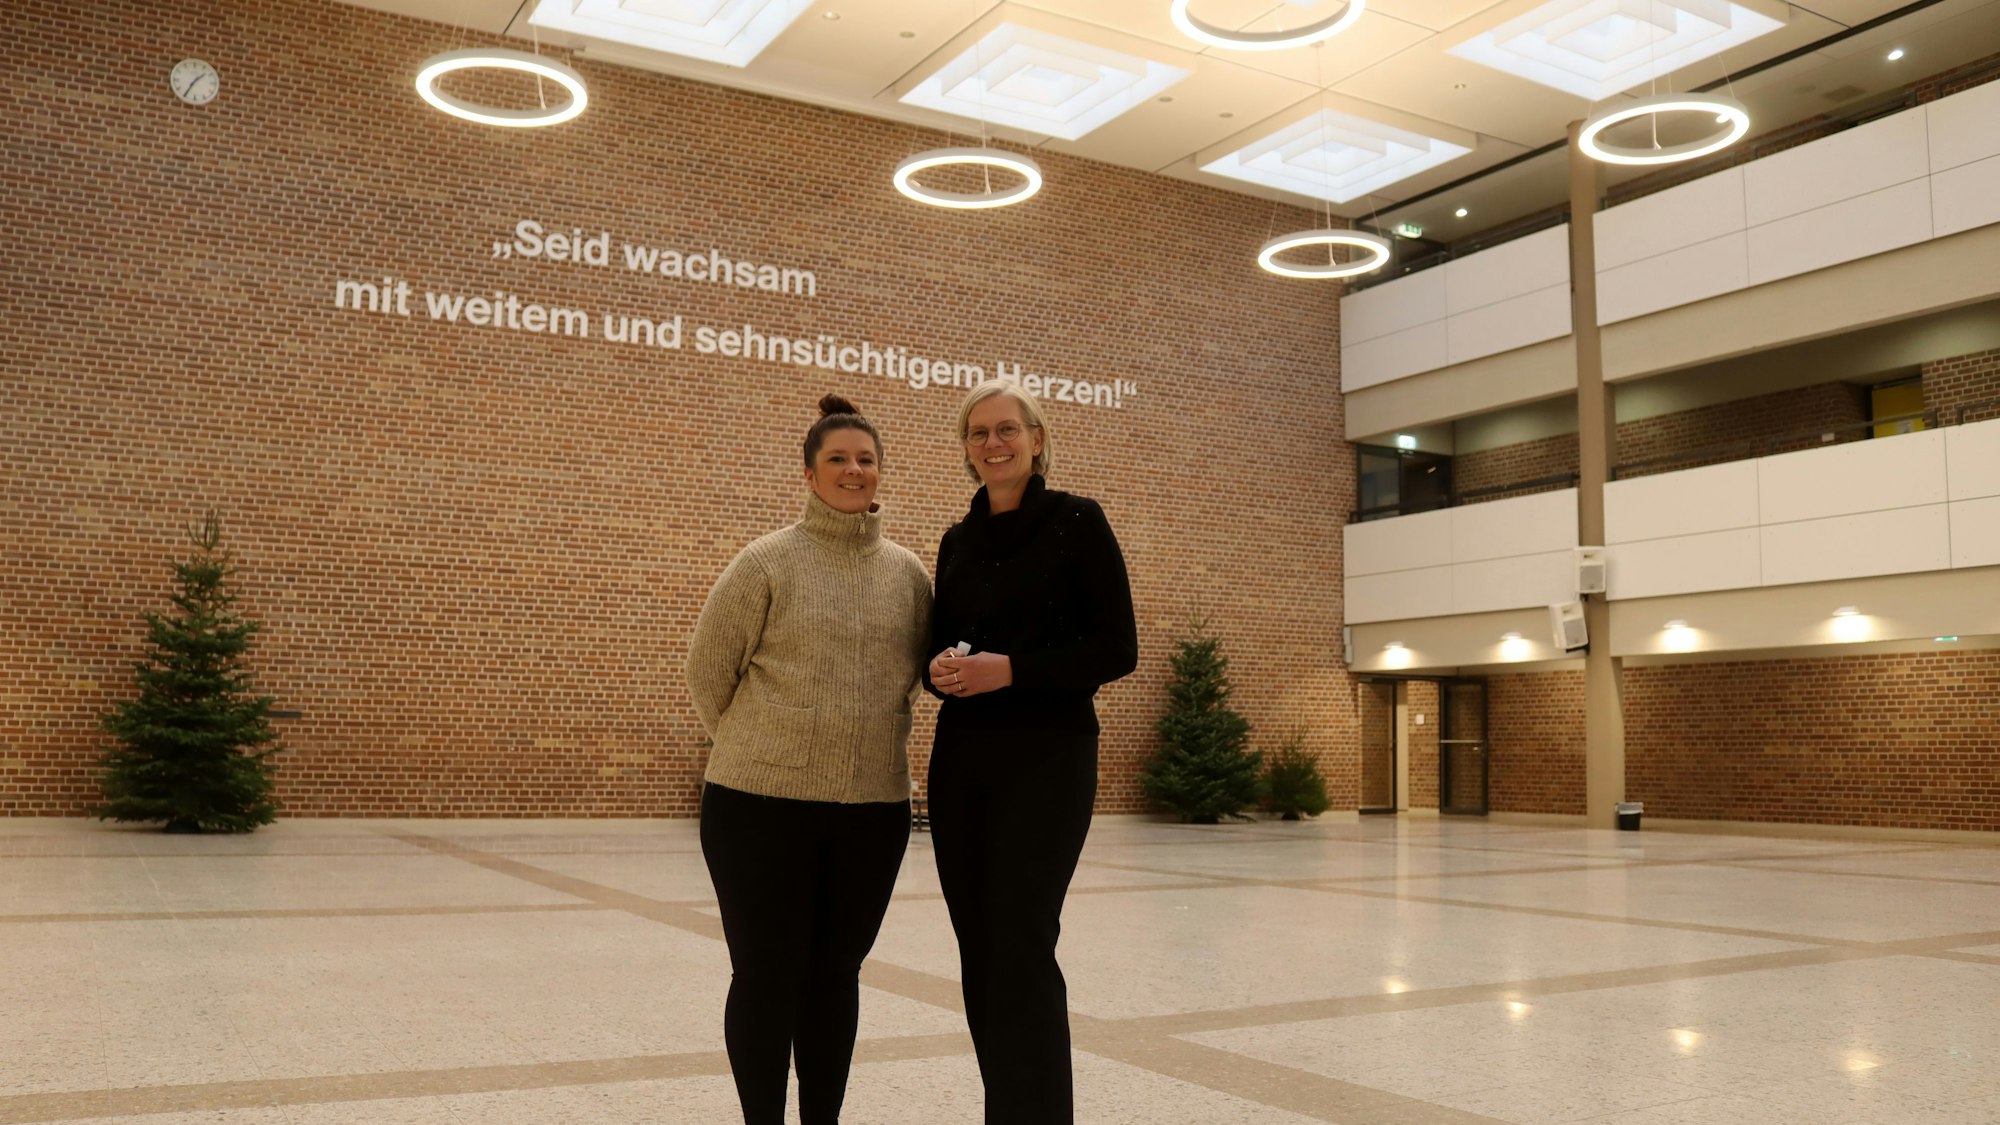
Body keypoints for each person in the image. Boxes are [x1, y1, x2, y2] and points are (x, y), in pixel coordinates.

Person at [686, 394, 933, 1125]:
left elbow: (916, 675)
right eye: (838, 459)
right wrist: (763, 749)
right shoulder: (766, 562)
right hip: (757, 808)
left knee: (834, 977)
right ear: (809, 473)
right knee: (766, 976)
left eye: (865, 458)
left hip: (871, 811)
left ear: (881, 471)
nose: (853, 470)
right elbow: (708, 673)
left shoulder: (909, 575)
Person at [925, 381, 1139, 1123]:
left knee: (1020, 944)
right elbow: (933, 644)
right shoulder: (956, 540)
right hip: (963, 764)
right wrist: (940, 670)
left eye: (1007, 429)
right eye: (978, 433)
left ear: (1037, 438)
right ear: (966, 448)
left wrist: (1011, 668)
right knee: (980, 953)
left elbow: (1117, 647)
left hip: (1047, 760)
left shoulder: (1078, 522)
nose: (993, 443)